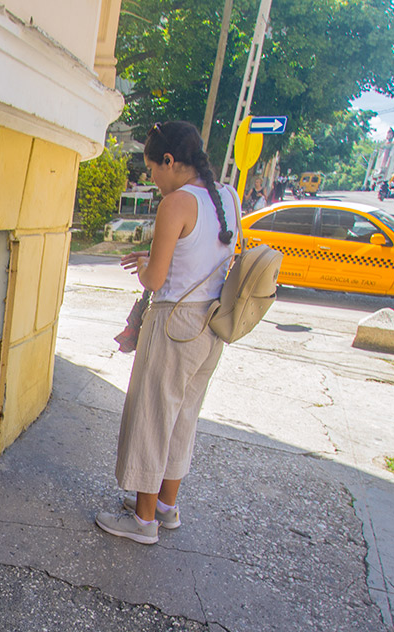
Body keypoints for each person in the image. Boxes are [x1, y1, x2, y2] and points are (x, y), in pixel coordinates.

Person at [95, 121, 239, 545]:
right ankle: (165, 507)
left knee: (153, 415)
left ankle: (142, 522)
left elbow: (155, 280)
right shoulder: (227, 197)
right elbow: (207, 255)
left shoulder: (176, 202)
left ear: (171, 161)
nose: (150, 178)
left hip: (174, 323)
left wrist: (145, 265)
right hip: (211, 322)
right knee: (182, 417)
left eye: (152, 168)